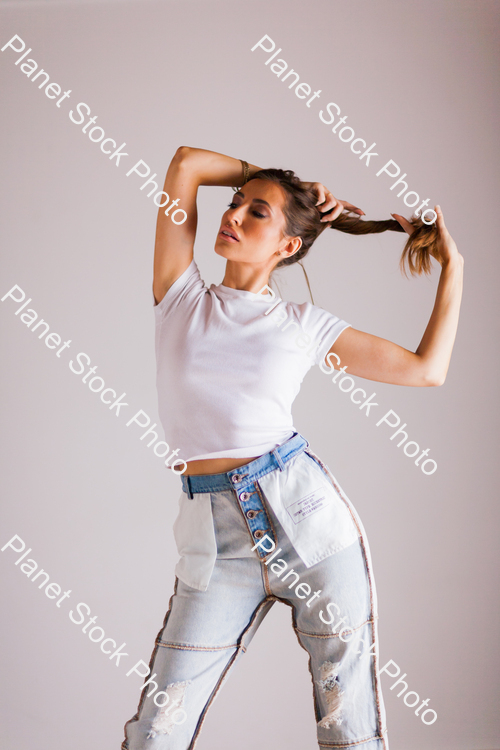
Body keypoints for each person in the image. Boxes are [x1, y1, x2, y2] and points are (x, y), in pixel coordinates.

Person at [121, 147, 463, 750]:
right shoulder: (181, 297)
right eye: (234, 204)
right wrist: (287, 182)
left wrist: (453, 269)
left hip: (308, 522)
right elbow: (184, 165)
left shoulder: (304, 326)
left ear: (289, 245)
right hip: (213, 539)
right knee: (157, 731)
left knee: (348, 729)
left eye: (257, 213)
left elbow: (426, 370)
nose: (233, 216)